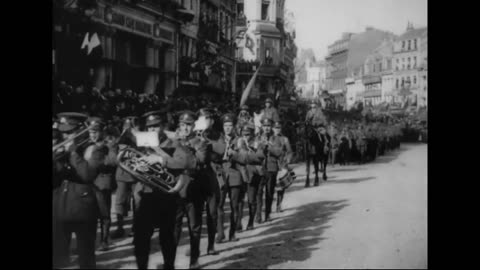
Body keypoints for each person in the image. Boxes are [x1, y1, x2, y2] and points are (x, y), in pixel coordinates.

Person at [129, 110, 195, 269]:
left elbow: (186, 162)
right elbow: (127, 163)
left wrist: (160, 159)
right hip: (145, 195)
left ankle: (169, 266)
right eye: (150, 127)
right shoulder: (141, 144)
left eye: (156, 126)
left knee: (168, 238)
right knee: (141, 237)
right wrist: (137, 165)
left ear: (163, 126)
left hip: (167, 196)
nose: (152, 130)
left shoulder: (173, 143)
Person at [53, 113, 107, 269]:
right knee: (57, 257)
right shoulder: (59, 149)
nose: (66, 136)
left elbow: (87, 175)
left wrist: (73, 153)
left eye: (70, 132)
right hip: (58, 208)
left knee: (86, 257)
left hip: (83, 210)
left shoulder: (93, 149)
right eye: (64, 132)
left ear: (81, 130)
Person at [174, 111, 208, 269]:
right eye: (183, 124)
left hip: (194, 188)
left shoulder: (200, 142)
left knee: (194, 227)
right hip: (176, 189)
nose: (185, 128)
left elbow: (199, 162)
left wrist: (183, 146)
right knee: (174, 227)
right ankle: (170, 261)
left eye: (188, 124)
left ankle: (194, 260)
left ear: (194, 125)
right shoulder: (174, 140)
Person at [211, 113, 243, 243]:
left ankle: (232, 233)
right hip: (221, 175)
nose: (228, 128)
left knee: (234, 206)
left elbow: (244, 157)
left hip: (235, 174)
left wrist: (234, 154)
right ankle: (220, 233)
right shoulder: (218, 139)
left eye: (230, 126)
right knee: (219, 205)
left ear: (234, 126)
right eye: (225, 126)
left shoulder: (240, 140)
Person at [112, 117, 139, 239]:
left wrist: (135, 135)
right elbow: (115, 150)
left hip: (136, 174)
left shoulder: (139, 138)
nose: (128, 128)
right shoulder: (120, 139)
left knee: (138, 201)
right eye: (126, 126)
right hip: (122, 174)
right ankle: (120, 227)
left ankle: (136, 227)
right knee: (120, 202)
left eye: (131, 126)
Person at [234, 124, 265, 230]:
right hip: (240, 174)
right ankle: (238, 222)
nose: (245, 136)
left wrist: (244, 156)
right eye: (243, 134)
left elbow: (260, 157)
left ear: (252, 134)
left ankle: (251, 222)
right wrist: (250, 156)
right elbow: (233, 156)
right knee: (239, 200)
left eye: (248, 134)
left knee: (251, 200)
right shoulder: (237, 142)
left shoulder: (257, 143)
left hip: (253, 175)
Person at [256, 118, 284, 223]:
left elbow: (279, 152)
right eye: (264, 126)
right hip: (260, 168)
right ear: (262, 127)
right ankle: (258, 214)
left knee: (269, 192)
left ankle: (267, 213)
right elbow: (254, 151)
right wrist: (262, 146)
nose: (266, 128)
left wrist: (269, 147)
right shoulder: (258, 138)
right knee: (258, 192)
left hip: (272, 168)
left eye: (268, 126)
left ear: (271, 127)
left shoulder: (276, 139)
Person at [272, 121, 293, 213]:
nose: (277, 130)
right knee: (270, 186)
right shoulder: (269, 138)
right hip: (271, 164)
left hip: (281, 164)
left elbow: (289, 151)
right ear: (273, 129)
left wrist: (288, 159)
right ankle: (269, 206)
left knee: (281, 187)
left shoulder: (285, 139)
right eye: (275, 128)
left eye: (279, 128)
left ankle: (279, 205)